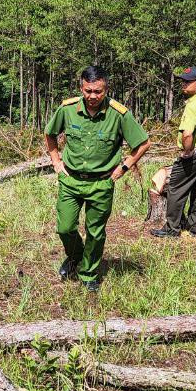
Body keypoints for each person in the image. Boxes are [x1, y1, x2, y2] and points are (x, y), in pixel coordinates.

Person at [44, 66, 150, 292]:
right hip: (70, 180)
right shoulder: (68, 109)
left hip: (101, 183)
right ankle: (75, 257)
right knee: (65, 228)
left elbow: (142, 144)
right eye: (88, 90)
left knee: (95, 231)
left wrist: (123, 167)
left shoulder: (118, 114)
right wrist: (56, 160)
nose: (92, 96)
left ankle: (88, 273)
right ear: (81, 87)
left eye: (98, 92)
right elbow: (50, 133)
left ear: (106, 89)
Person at [151, 67, 196, 240]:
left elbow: (187, 134)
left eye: (188, 81)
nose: (183, 84)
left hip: (195, 153)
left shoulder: (193, 105)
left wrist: (188, 151)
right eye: (183, 81)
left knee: (176, 189)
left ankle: (172, 229)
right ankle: (193, 229)